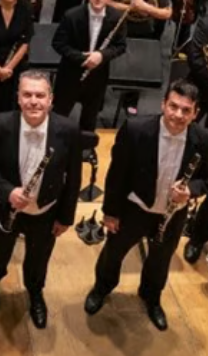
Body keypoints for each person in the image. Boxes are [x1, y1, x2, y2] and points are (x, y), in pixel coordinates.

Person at [84, 79, 208, 331]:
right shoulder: (135, 129)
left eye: (186, 110)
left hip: (173, 214)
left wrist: (191, 190)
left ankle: (151, 298)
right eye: (173, 106)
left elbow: (205, 179)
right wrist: (110, 212)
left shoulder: (203, 139)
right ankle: (102, 288)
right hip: (135, 208)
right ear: (163, 104)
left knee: (160, 260)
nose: (178, 114)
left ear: (195, 113)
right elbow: (117, 175)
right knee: (113, 254)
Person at [0, 71, 82, 328]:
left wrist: (65, 217)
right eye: (27, 95)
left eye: (40, 95)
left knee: (39, 257)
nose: (34, 101)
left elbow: (74, 178)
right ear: (18, 98)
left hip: (46, 210)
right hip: (6, 207)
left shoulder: (68, 129)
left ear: (50, 99)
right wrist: (7, 191)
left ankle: (35, 293)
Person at [52, 0, 127, 132]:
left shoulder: (117, 18)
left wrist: (101, 55)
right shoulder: (71, 15)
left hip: (97, 76)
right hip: (70, 74)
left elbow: (120, 46)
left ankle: (85, 145)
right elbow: (58, 43)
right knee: (59, 116)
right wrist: (82, 57)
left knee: (89, 121)